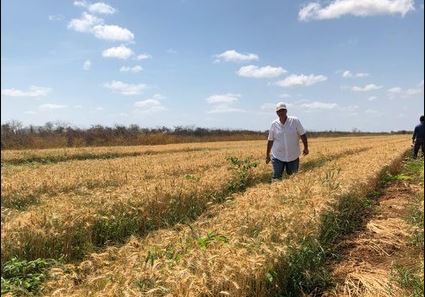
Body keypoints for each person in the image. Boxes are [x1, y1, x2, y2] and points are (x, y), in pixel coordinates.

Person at [266, 102, 309, 180]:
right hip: (278, 156)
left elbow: (303, 134)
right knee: (276, 178)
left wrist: (306, 147)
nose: (281, 112)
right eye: (279, 111)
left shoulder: (295, 121)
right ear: (276, 113)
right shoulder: (274, 124)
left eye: (282, 110)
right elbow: (270, 140)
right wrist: (267, 155)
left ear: (286, 111)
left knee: (293, 178)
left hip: (293, 156)